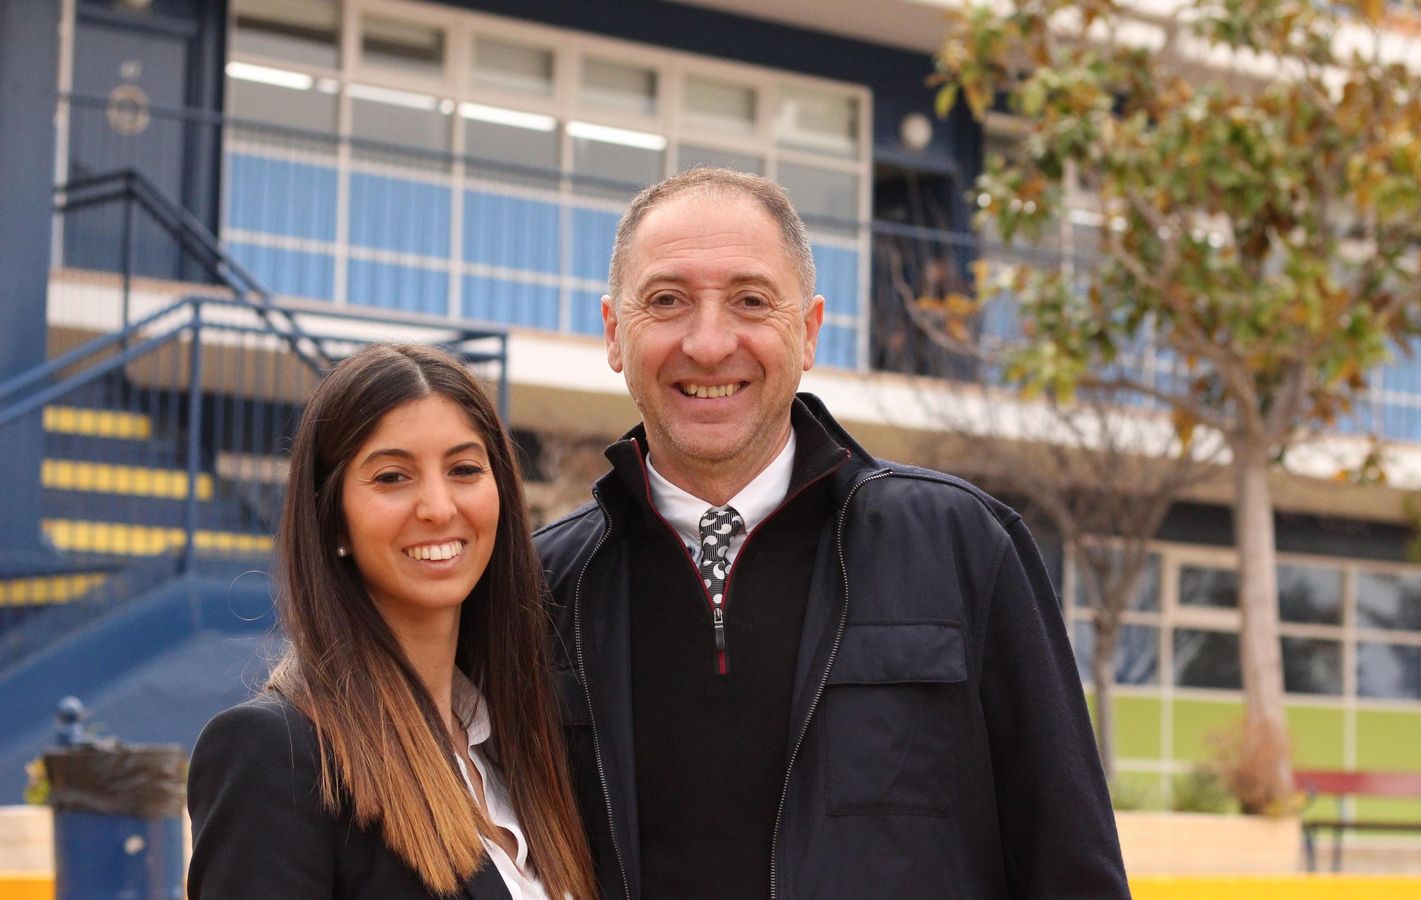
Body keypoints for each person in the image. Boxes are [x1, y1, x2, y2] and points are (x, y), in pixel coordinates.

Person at [535, 168, 1130, 899]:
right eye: (666, 301)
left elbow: (1071, 868)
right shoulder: (541, 587)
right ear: (613, 333)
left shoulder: (962, 547)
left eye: (751, 301)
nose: (710, 343)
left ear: (809, 332)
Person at [188, 344, 597, 900]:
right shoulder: (277, 753)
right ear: (332, 519)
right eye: (392, 477)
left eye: (464, 469)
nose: (438, 507)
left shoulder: (522, 747)